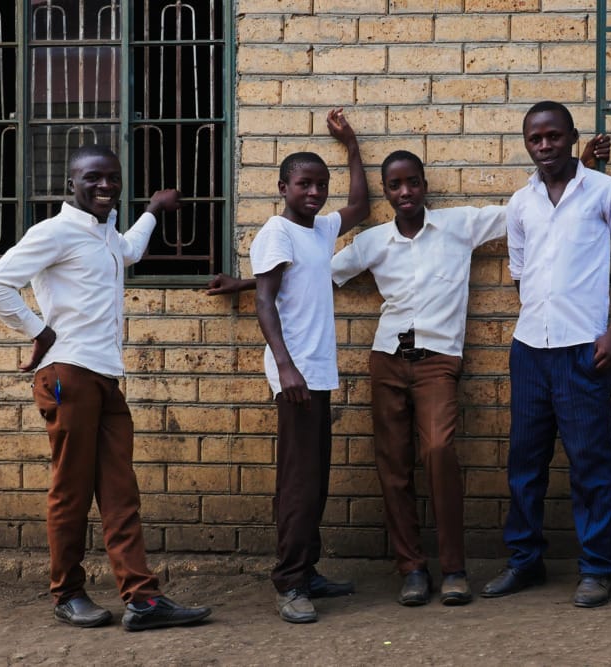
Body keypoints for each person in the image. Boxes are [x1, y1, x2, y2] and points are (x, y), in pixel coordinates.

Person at [210, 137, 609, 608]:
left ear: (423, 186)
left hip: (438, 362)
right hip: (387, 361)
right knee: (392, 465)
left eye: (412, 183)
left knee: (439, 450)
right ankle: (412, 569)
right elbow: (311, 272)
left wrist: (579, 169)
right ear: (386, 191)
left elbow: (524, 211)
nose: (404, 192)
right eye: (395, 185)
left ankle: (454, 569)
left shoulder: (459, 225)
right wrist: (244, 283)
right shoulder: (371, 241)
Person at [0, 145, 213, 631]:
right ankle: (67, 594)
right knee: (72, 490)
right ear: (72, 184)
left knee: (120, 491)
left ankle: (143, 600)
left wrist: (153, 209)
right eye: (93, 178)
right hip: (69, 375)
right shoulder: (54, 232)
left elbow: (129, 251)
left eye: (112, 178)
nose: (105, 186)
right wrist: (39, 331)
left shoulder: (104, 234)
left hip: (105, 378)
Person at [479, 101, 611, 609]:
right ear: (526, 144)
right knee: (524, 464)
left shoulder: (605, 191)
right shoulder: (521, 203)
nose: (544, 145)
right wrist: (541, 316)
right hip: (530, 350)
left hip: (585, 351)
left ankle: (597, 569)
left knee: (590, 464)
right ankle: (525, 560)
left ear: (572, 137)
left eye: (553, 135)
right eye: (535, 138)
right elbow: (519, 273)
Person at [243, 108, 370, 624]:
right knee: (298, 482)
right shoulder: (278, 232)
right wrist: (286, 367)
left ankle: (308, 570)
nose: (315, 192)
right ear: (283, 188)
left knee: (314, 479)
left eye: (321, 184)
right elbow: (264, 300)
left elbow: (360, 206)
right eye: (304, 184)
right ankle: (290, 581)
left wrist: (352, 146)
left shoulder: (319, 231)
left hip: (317, 373)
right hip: (296, 375)